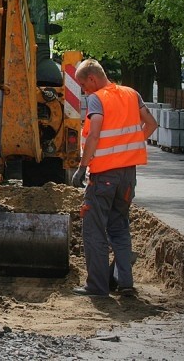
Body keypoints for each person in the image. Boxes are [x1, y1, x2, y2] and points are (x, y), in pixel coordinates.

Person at [71, 58, 158, 297]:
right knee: (119, 227)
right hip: (128, 176)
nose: (84, 91)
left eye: (83, 85)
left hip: (104, 176)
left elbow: (94, 134)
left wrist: (82, 167)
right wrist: (130, 145)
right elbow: (151, 123)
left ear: (92, 78)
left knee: (94, 229)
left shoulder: (97, 98)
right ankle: (125, 283)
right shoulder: (132, 94)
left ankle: (97, 287)